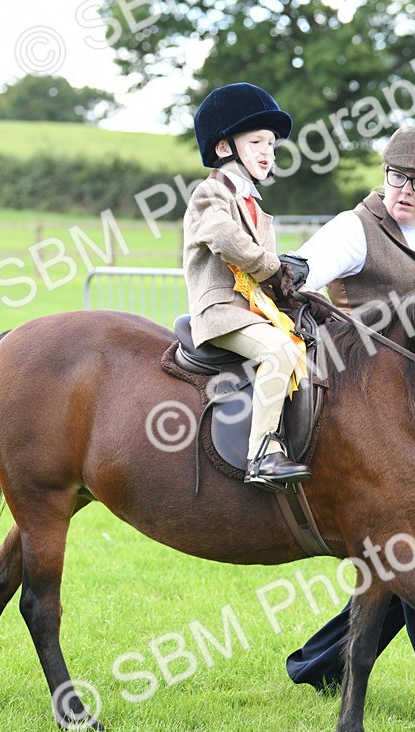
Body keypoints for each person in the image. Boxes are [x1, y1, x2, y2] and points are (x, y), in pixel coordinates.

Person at [285, 125, 415, 722]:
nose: (404, 191)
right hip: (372, 428)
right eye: (396, 177)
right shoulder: (355, 230)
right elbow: (301, 276)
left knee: (412, 557)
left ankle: (318, 663)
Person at [183, 83, 313, 490]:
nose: (267, 152)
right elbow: (222, 236)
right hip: (221, 311)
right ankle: (262, 453)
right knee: (279, 348)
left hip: (252, 312)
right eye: (256, 141)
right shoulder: (210, 193)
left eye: (272, 145)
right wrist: (273, 268)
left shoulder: (256, 206)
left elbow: (268, 277)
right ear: (224, 148)